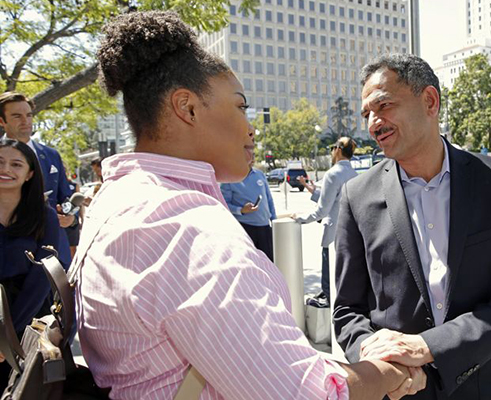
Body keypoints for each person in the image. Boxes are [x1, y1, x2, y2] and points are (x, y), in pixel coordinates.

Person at [72, 11, 424, 399]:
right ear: (187, 108)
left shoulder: (116, 198)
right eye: (241, 107)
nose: (251, 126)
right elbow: (306, 394)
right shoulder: (186, 229)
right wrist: (391, 372)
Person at [333, 54, 491, 399]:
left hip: (484, 387)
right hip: (398, 390)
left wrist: (428, 347)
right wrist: (379, 361)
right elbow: (347, 310)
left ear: (430, 101)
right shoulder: (356, 196)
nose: (373, 123)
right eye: (366, 114)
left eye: (383, 106)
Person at [0, 139, 69, 386]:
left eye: (16, 164)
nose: (6, 169)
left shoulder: (44, 216)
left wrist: (7, 337)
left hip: (28, 320)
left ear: (29, 174)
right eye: (0, 162)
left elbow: (40, 279)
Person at [0, 91, 74, 262]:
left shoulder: (51, 155)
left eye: (29, 115)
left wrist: (70, 217)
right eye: (17, 116)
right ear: (2, 121)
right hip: (10, 255)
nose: (25, 121)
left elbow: (66, 198)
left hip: (55, 253)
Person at [293, 137, 358, 307]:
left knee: (329, 274)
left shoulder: (333, 173)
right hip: (350, 232)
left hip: (332, 232)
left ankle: (328, 302)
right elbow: (335, 200)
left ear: (337, 149)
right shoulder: (355, 174)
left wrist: (300, 219)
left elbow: (323, 209)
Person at [220, 156, 277, 261]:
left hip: (265, 228)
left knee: (268, 263)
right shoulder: (229, 178)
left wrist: (274, 219)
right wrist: (241, 210)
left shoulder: (259, 174)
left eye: (253, 155)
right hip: (245, 229)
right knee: (249, 262)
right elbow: (223, 204)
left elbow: (269, 199)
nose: (252, 159)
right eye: (247, 156)